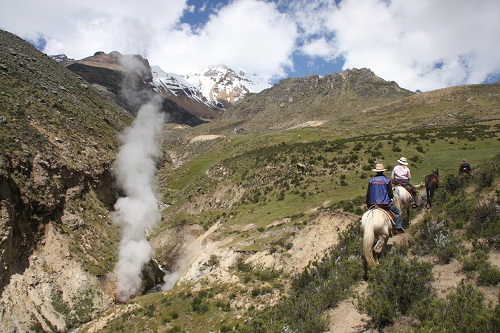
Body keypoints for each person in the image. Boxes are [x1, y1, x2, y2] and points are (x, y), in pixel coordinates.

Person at [366, 163, 404, 233]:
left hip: (372, 204)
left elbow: (368, 193)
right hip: (385, 203)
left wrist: (368, 203)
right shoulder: (387, 180)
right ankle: (398, 227)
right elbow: (390, 194)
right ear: (383, 171)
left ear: (376, 171)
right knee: (398, 212)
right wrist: (391, 197)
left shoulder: (371, 180)